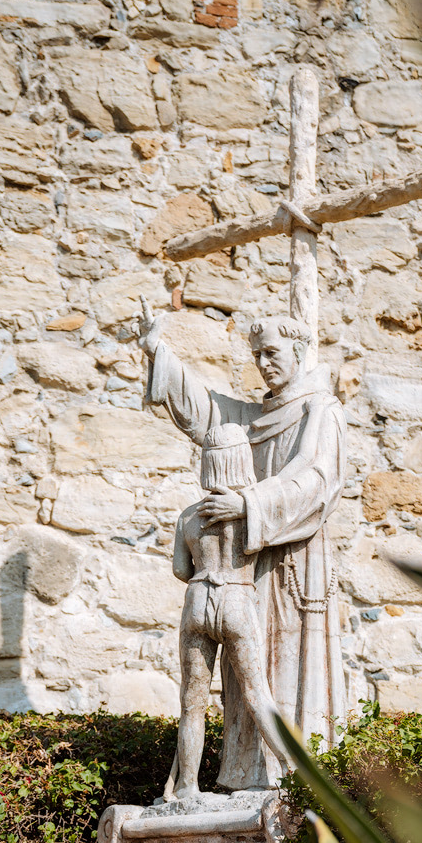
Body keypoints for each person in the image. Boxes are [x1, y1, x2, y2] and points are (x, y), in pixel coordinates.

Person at [136, 298, 347, 790]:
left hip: (294, 559)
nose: (264, 363)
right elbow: (209, 412)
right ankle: (248, 773)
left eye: (272, 353)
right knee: (246, 681)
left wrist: (248, 506)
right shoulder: (256, 417)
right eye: (257, 356)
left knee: (286, 668)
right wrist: (157, 351)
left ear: (298, 351)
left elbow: (318, 478)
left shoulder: (322, 410)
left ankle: (299, 775)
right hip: (244, 565)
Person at [166, 422, 288, 800]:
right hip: (235, 596)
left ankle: (187, 785)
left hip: (198, 599)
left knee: (192, 702)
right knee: (257, 693)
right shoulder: (246, 510)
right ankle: (290, 767)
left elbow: (180, 570)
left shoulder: (188, 516)